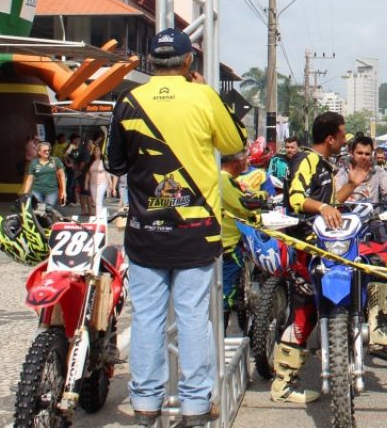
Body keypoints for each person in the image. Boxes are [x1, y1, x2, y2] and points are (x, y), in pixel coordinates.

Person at [106, 28, 244, 427]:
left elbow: (114, 164)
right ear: (188, 64)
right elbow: (234, 142)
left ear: (150, 62)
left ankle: (146, 403)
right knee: (192, 315)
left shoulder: (129, 100)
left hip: (146, 229)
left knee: (146, 316)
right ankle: (196, 404)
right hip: (195, 228)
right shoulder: (203, 96)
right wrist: (203, 91)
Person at [276, 111, 352, 404]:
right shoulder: (306, 160)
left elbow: (330, 205)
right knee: (304, 313)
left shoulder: (325, 165)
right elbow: (296, 199)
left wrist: (353, 184)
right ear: (330, 138)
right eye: (342, 135)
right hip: (306, 249)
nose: (344, 140)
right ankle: (283, 383)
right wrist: (321, 209)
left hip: (326, 248)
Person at [218, 147, 264, 328]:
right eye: (246, 158)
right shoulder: (223, 178)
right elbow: (244, 206)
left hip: (224, 244)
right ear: (235, 161)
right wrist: (260, 199)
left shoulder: (227, 178)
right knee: (226, 296)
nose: (248, 161)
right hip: (227, 246)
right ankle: (219, 340)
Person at [337, 136, 387, 204]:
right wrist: (351, 185)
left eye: (367, 154)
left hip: (374, 213)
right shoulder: (343, 173)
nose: (363, 157)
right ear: (351, 153)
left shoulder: (378, 172)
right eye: (360, 153)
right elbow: (334, 200)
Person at [22, 142, 66, 206]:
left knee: (48, 210)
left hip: (52, 192)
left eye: (48, 150)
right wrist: (25, 194)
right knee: (37, 211)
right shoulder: (33, 163)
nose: (47, 152)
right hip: (36, 191)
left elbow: (62, 175)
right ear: (39, 152)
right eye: (45, 151)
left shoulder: (56, 160)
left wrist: (63, 190)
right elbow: (29, 179)